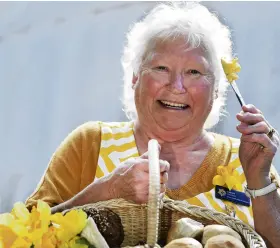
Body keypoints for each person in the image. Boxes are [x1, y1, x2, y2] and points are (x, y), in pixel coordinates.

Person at [25, 2, 280, 247]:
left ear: (216, 90)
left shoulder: (246, 159)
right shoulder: (91, 143)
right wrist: (107, 190)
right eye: (161, 68)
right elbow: (22, 237)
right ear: (135, 77)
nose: (176, 86)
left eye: (194, 72)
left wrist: (260, 181)